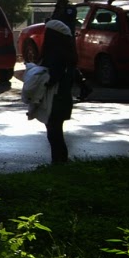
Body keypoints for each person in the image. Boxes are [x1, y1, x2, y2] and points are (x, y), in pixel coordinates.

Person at [34, 19, 86, 164]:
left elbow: (52, 78)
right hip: (63, 98)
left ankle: (59, 163)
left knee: (54, 134)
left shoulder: (55, 55)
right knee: (56, 133)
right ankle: (60, 162)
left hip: (55, 98)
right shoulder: (67, 53)